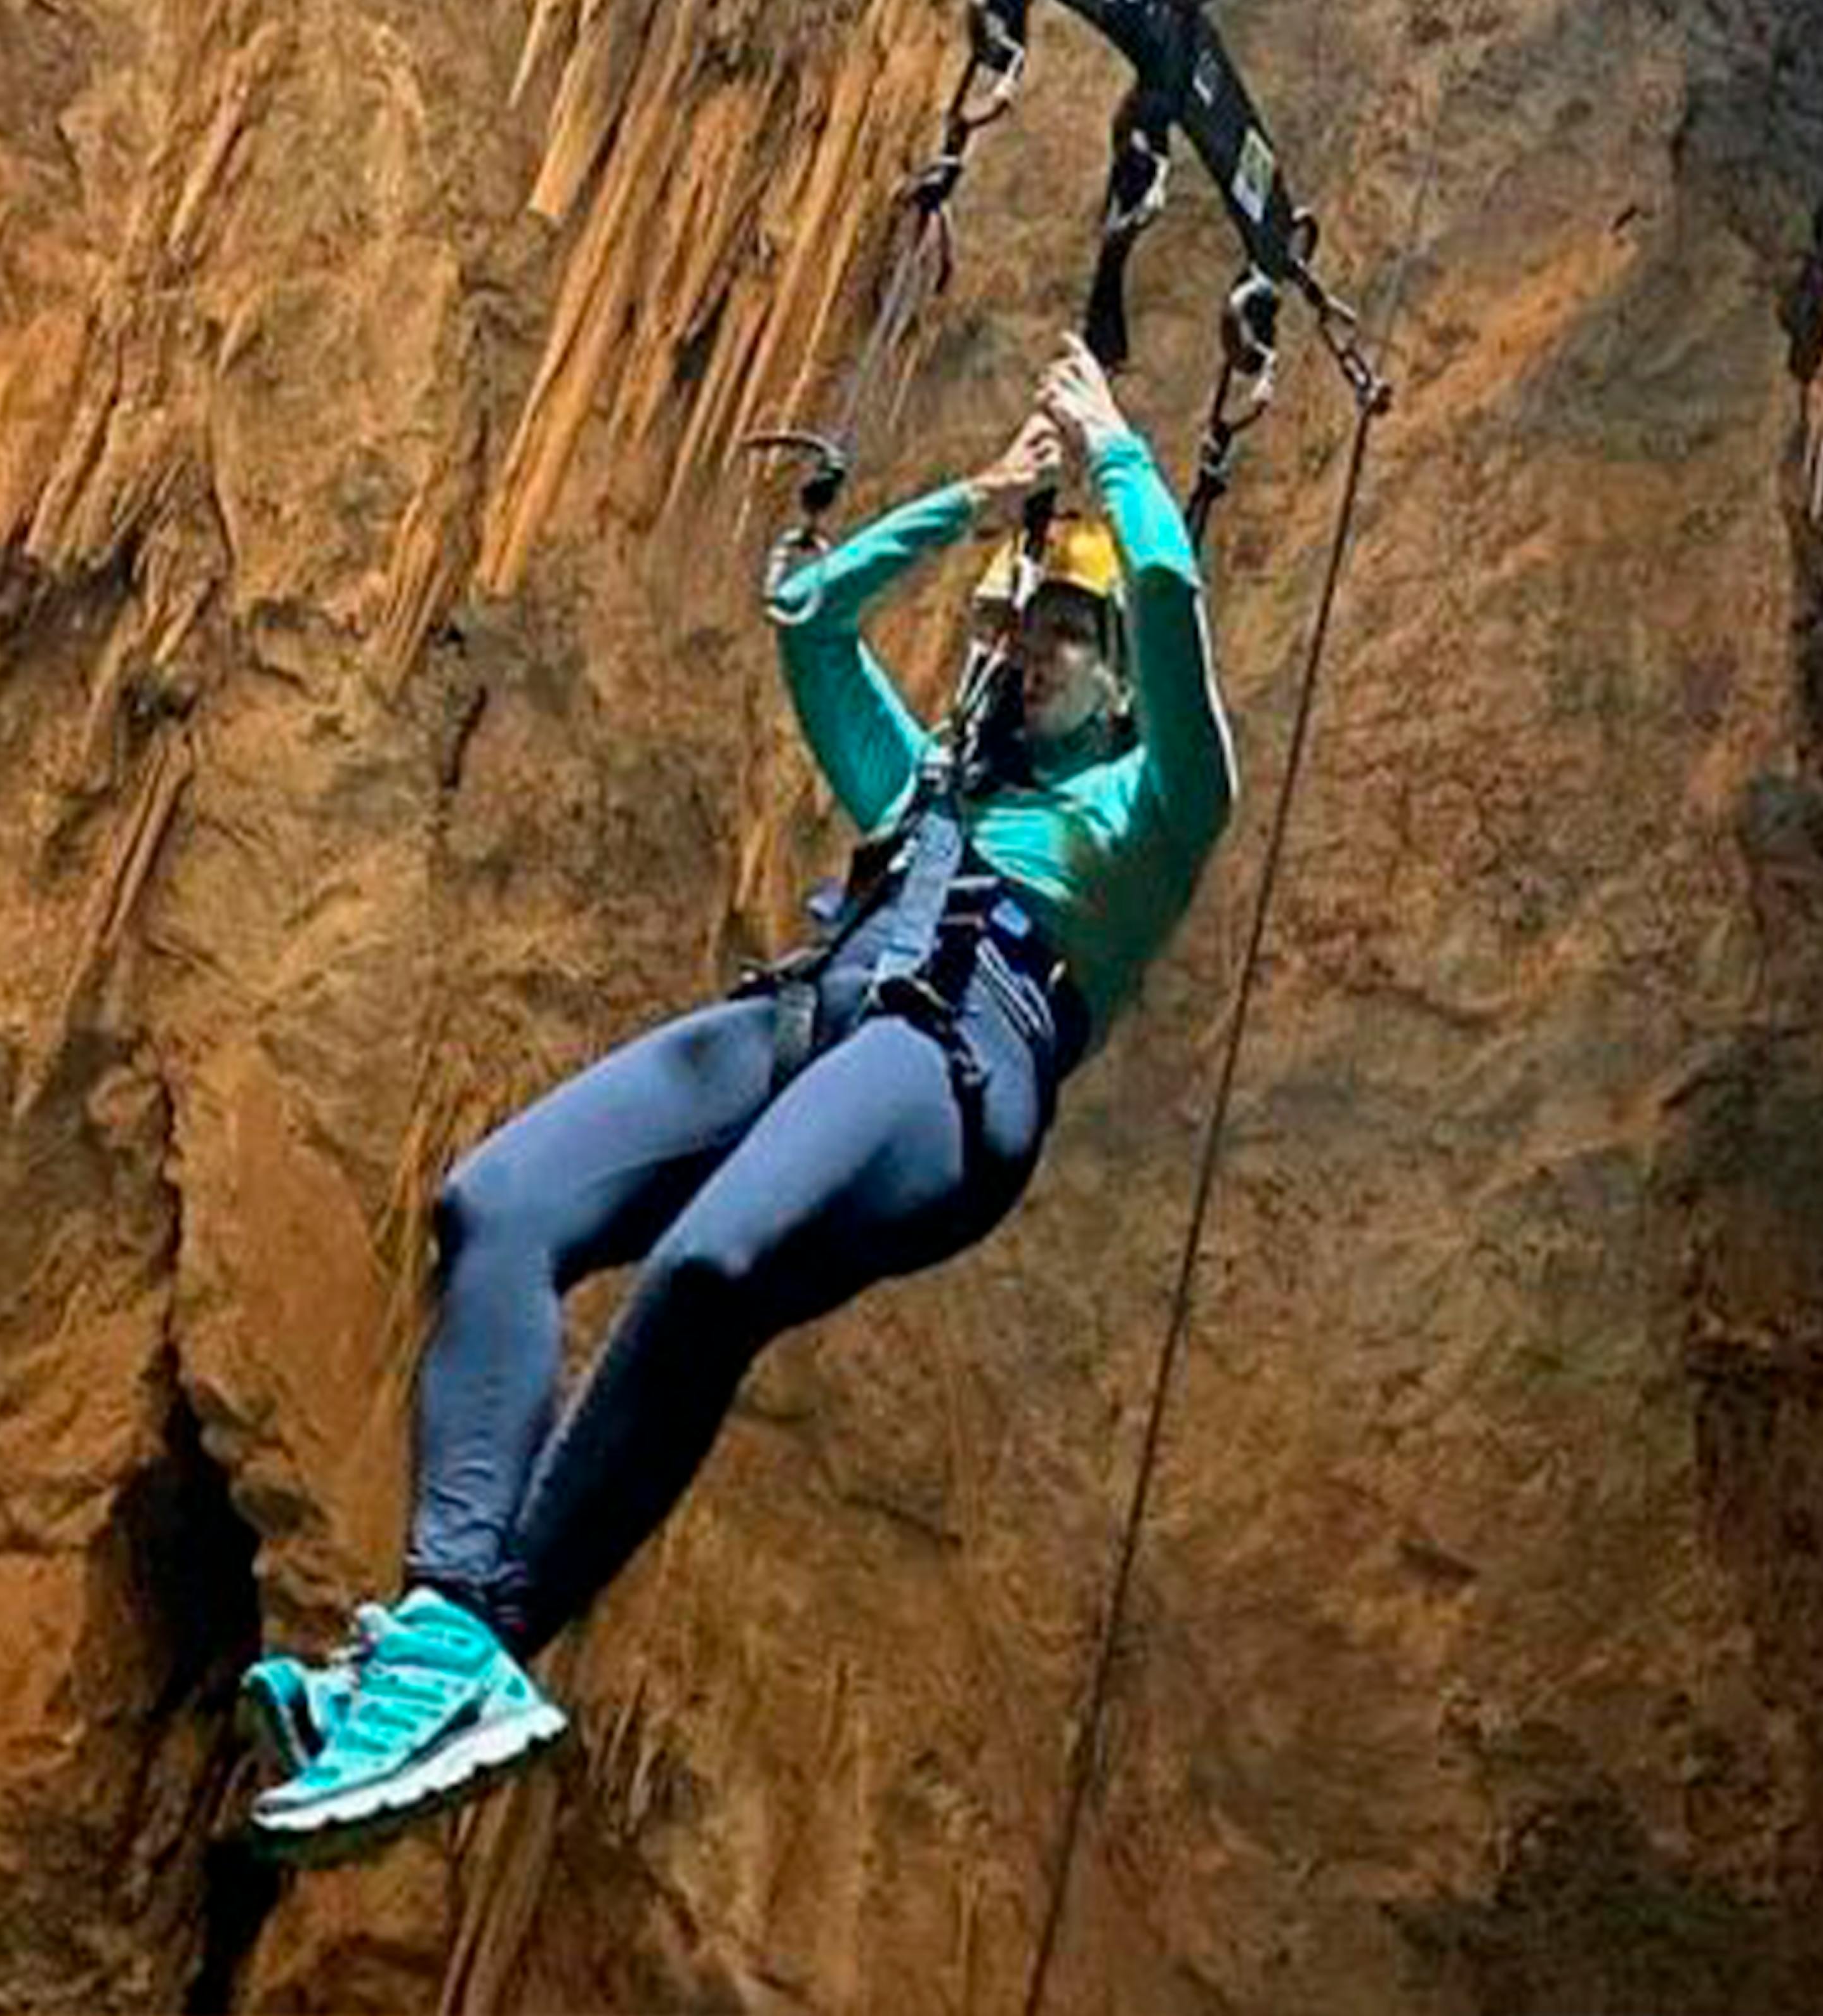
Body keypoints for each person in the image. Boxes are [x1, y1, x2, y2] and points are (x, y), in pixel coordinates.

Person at [240, 335, 1237, 1861]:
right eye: (1009, 633)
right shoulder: (924, 789)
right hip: (809, 1016)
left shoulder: (1148, 814)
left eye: (1061, 639)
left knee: (713, 1265)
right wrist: (973, 506)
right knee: (495, 1206)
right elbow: (811, 625)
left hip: (956, 1065)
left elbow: (1173, 618)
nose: (1026, 659)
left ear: (1113, 686)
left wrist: (1121, 465)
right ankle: (438, 1624)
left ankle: (495, 1645)